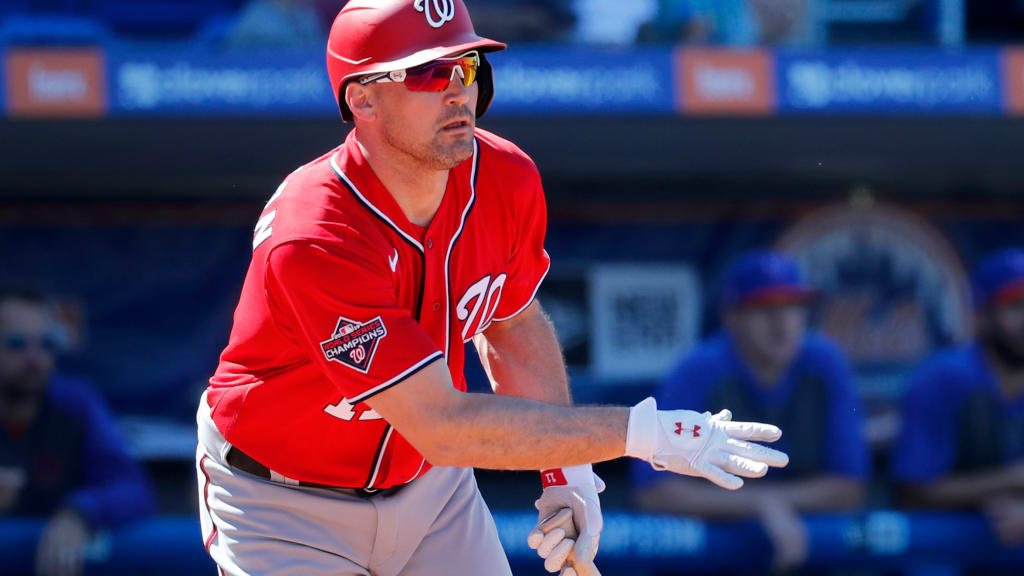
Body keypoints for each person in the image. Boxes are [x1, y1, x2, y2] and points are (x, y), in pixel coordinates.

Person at [195, 2, 789, 576]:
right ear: (363, 97)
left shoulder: (505, 177)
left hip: (428, 492)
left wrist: (567, 472)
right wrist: (644, 433)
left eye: (467, 67)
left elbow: (512, 321)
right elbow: (442, 424)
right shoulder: (315, 235)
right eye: (428, 71)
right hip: (282, 504)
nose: (458, 90)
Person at [631, 250, 868, 572]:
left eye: (792, 307)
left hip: (810, 551)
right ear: (732, 317)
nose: (782, 323)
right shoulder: (699, 370)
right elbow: (654, 492)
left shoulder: (825, 363)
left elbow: (849, 488)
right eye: (764, 308)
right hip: (711, 557)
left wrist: (772, 502)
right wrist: (758, 503)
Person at [0, 290, 156, 576]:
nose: (35, 358)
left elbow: (134, 490)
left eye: (46, 343)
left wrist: (78, 514)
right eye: (16, 344)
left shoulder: (74, 403)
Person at [892, 248, 1024, 547]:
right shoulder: (943, 378)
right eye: (1015, 306)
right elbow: (912, 492)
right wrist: (1010, 479)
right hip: (941, 543)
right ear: (983, 315)